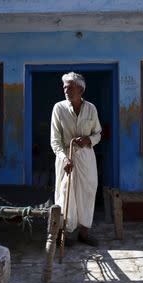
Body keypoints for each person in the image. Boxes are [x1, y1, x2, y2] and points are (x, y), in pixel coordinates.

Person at [50, 72, 102, 246]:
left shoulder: (91, 109)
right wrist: (64, 158)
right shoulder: (59, 108)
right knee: (65, 193)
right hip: (66, 157)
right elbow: (55, 140)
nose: (65, 89)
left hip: (86, 157)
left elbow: (98, 133)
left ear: (80, 89)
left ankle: (84, 234)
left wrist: (90, 140)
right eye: (64, 86)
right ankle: (62, 234)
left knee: (87, 192)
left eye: (69, 87)